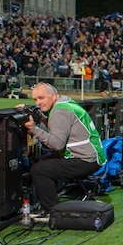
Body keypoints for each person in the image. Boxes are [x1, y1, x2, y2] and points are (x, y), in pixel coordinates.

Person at [21, 83, 107, 220]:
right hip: (94, 156)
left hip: (85, 160)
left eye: (41, 98)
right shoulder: (66, 103)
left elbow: (57, 144)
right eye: (35, 100)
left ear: (53, 96)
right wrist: (40, 117)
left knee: (39, 169)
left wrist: (34, 129)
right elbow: (60, 127)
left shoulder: (59, 111)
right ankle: (47, 202)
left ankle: (51, 210)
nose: (38, 103)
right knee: (44, 163)